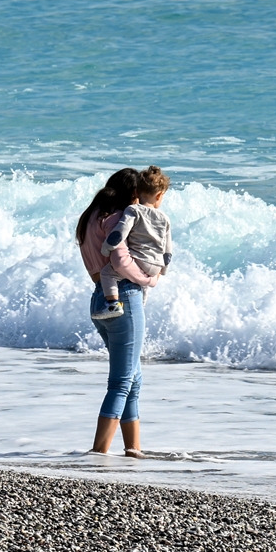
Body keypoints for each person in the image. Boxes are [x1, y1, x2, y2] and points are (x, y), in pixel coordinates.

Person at [76, 167, 161, 458]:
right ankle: (99, 451)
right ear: (133, 194)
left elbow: (98, 263)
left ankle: (133, 448)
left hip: (101, 298)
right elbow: (120, 258)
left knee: (133, 377)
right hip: (124, 297)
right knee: (123, 381)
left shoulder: (91, 218)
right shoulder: (115, 218)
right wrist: (148, 279)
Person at [92, 165, 173, 320]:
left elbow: (119, 233)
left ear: (136, 192)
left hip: (138, 260)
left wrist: (107, 248)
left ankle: (113, 304)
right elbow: (167, 250)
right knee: (144, 287)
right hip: (154, 265)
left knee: (107, 273)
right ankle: (139, 310)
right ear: (159, 195)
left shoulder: (133, 210)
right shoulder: (164, 218)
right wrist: (163, 270)